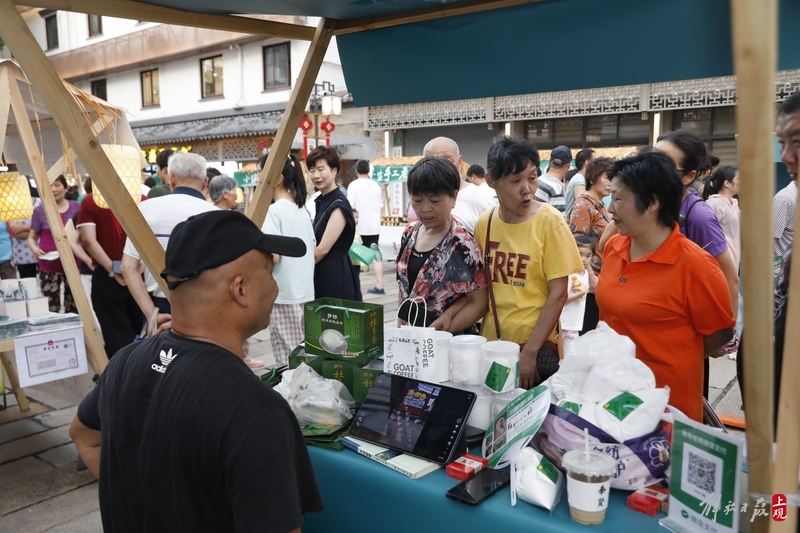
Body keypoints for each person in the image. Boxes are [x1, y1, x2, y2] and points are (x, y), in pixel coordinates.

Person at [69, 210, 322, 532]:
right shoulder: (255, 410)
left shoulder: (124, 361)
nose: (274, 289)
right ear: (240, 289)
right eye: (270, 274)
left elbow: (83, 437)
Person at [597, 152, 734, 422]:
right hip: (612, 396)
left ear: (651, 203)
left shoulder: (696, 266)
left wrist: (675, 352)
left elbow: (719, 333)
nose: (610, 209)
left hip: (667, 407)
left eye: (618, 198)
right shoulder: (615, 247)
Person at [465, 136, 583, 388]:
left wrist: (530, 351)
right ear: (491, 181)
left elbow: (559, 294)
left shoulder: (550, 221)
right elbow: (482, 291)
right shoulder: (485, 223)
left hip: (535, 348)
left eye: (531, 178)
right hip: (492, 348)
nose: (527, 189)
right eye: (515, 181)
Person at [121, 152, 217, 332]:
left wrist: (151, 313)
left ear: (171, 180)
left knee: (163, 359)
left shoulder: (145, 209)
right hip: (206, 309)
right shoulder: (217, 216)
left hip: (160, 308)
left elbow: (128, 267)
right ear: (205, 182)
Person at [395, 157, 487, 333]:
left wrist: (439, 334)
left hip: (446, 342)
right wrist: (399, 330)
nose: (426, 208)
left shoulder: (462, 245)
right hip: (409, 339)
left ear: (454, 197)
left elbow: (479, 303)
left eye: (435, 201)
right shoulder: (409, 233)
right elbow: (404, 290)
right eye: (417, 200)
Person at [262, 155, 316, 368]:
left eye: (261, 172)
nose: (258, 178)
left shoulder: (273, 211)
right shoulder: (301, 209)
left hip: (284, 295)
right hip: (305, 293)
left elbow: (273, 256)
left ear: (277, 178)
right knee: (304, 358)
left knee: (289, 363)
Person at [78, 192, 146, 359]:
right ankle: (141, 374)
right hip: (139, 273)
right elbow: (149, 233)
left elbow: (88, 240)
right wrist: (142, 260)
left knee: (115, 335)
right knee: (143, 331)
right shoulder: (142, 198)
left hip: (107, 276)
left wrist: (112, 269)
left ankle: (122, 378)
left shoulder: (90, 201)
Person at [308, 146, 361, 301]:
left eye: (320, 169)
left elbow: (323, 250)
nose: (316, 175)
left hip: (335, 276)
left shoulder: (338, 205)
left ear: (334, 171)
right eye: (312, 170)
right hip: (323, 272)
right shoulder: (322, 200)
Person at [28, 175, 81, 313]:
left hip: (74, 263)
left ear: (65, 187)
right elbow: (32, 237)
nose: (53, 189)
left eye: (57, 185)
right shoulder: (40, 210)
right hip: (48, 264)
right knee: (50, 306)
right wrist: (34, 248)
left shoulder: (77, 207)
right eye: (50, 186)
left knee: (75, 305)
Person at [425, 137, 494, 234]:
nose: (440, 167)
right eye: (432, 161)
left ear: (459, 161)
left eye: (447, 160)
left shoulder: (480, 199)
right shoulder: (421, 199)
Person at [567, 157, 613, 273]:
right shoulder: (583, 205)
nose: (610, 183)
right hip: (591, 275)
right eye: (607, 178)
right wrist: (590, 277)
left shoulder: (598, 204)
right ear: (592, 179)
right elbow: (578, 245)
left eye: (612, 179)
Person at [348, 159, 385, 295]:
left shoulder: (353, 185)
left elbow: (350, 206)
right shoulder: (376, 185)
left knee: (355, 256)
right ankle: (380, 285)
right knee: (376, 255)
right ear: (368, 170)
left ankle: (356, 287)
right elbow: (380, 206)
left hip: (358, 227)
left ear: (356, 170)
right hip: (374, 226)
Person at [703, 166, 741, 270]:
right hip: (719, 263)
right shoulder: (714, 204)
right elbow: (708, 236)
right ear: (727, 183)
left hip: (734, 261)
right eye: (739, 179)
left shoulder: (734, 205)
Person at [560, 234, 592, 356]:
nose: (584, 259)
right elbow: (562, 299)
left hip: (575, 325)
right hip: (562, 323)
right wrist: (582, 292)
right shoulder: (567, 274)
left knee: (569, 358)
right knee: (558, 357)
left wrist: (584, 291)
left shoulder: (585, 274)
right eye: (580, 254)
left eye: (588, 256)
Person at [10, 189, 41, 279]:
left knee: (46, 284)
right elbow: (14, 231)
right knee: (27, 285)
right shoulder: (11, 205)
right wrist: (37, 230)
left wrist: (22, 227)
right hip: (22, 254)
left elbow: (46, 225)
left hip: (42, 250)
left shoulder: (40, 203)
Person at [534, 145, 571, 213]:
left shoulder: (537, 180)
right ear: (568, 166)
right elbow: (559, 221)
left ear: (550, 162)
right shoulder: (557, 190)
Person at [564, 148, 597, 214]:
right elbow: (583, 206)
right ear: (587, 163)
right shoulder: (579, 180)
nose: (598, 164)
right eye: (595, 161)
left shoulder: (580, 178)